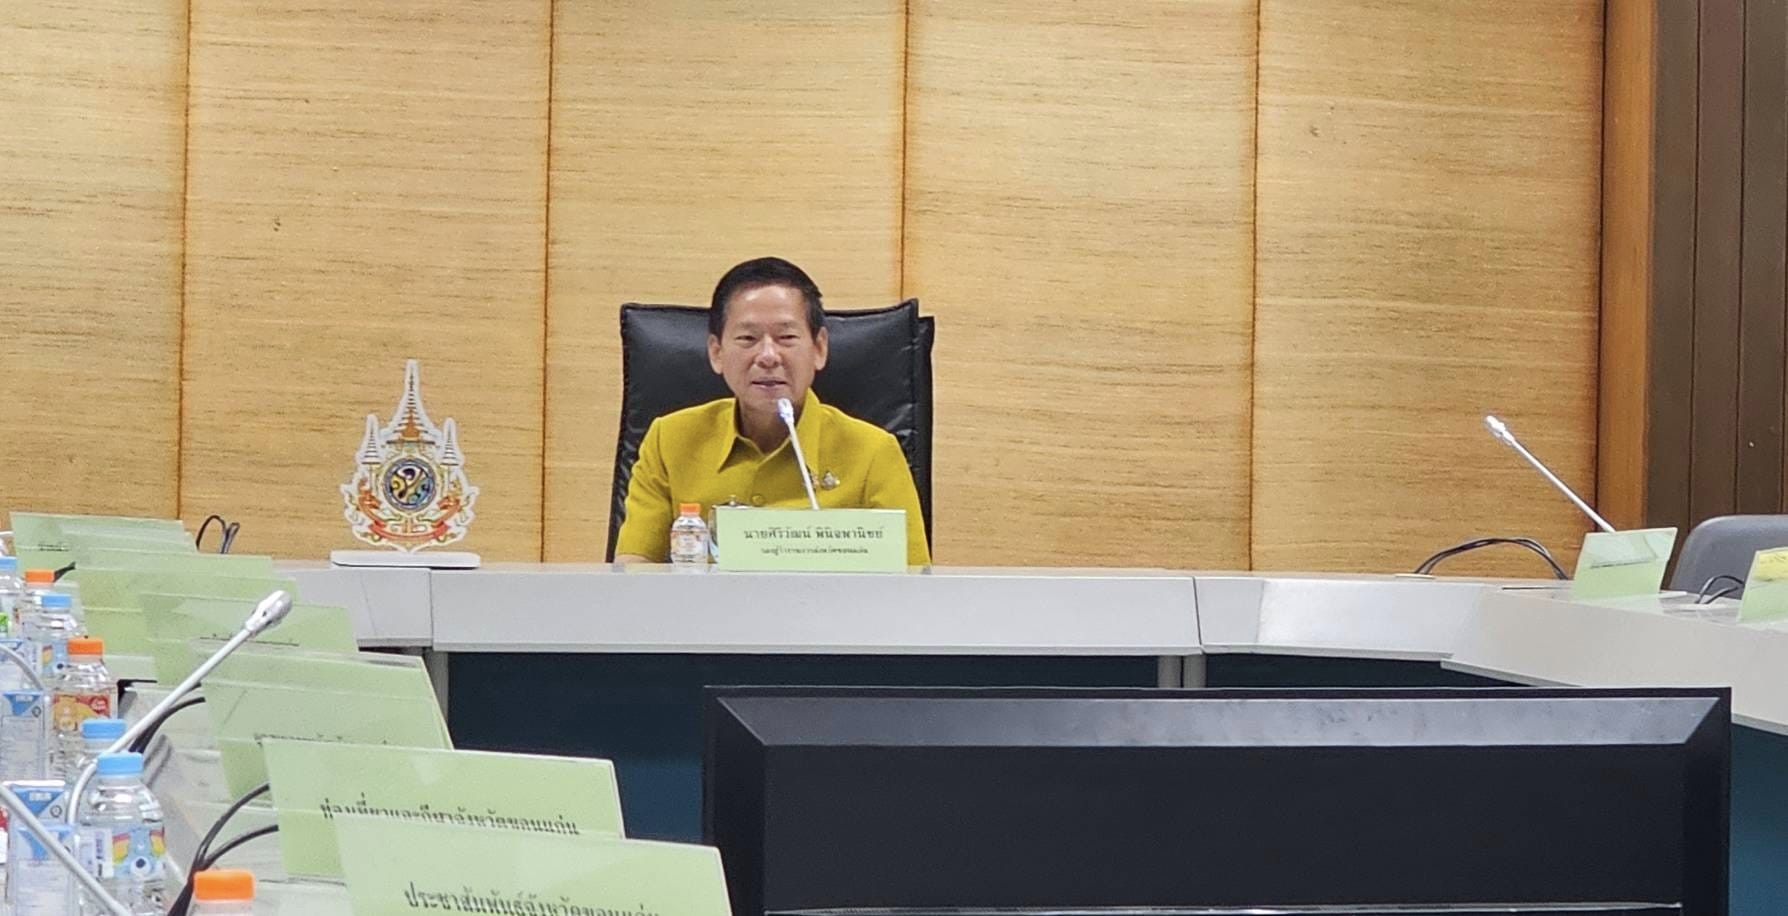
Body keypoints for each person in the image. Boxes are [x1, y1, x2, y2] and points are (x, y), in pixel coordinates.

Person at [613, 257, 932, 565]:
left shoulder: (874, 452)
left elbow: (913, 586)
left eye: (786, 337)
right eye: (747, 338)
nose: (767, 356)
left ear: (819, 348)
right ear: (716, 352)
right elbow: (633, 573)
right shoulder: (669, 442)